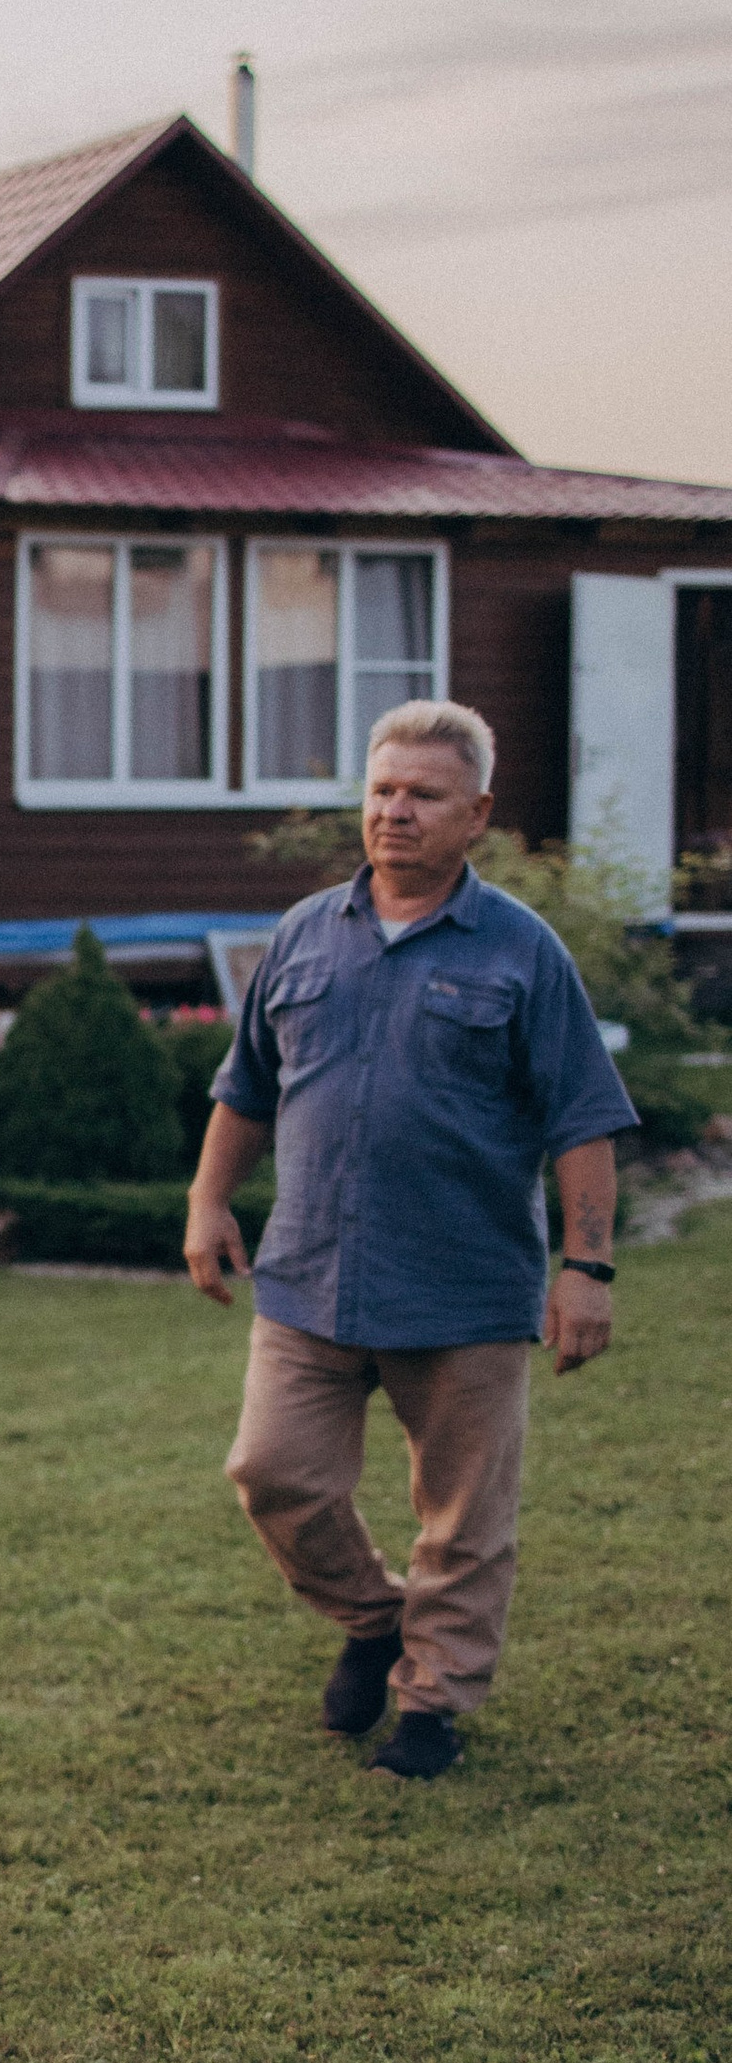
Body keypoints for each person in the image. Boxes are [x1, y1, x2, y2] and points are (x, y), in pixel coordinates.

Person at [184, 700, 638, 1779]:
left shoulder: (523, 952)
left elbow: (582, 1116)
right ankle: (375, 1620)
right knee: (272, 1473)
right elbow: (244, 1089)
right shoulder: (301, 935)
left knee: (463, 1518)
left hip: (464, 1284)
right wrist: (208, 1201)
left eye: (422, 795)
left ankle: (430, 1709)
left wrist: (587, 1269)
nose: (394, 812)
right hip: (308, 1277)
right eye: (382, 790)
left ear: (474, 813)